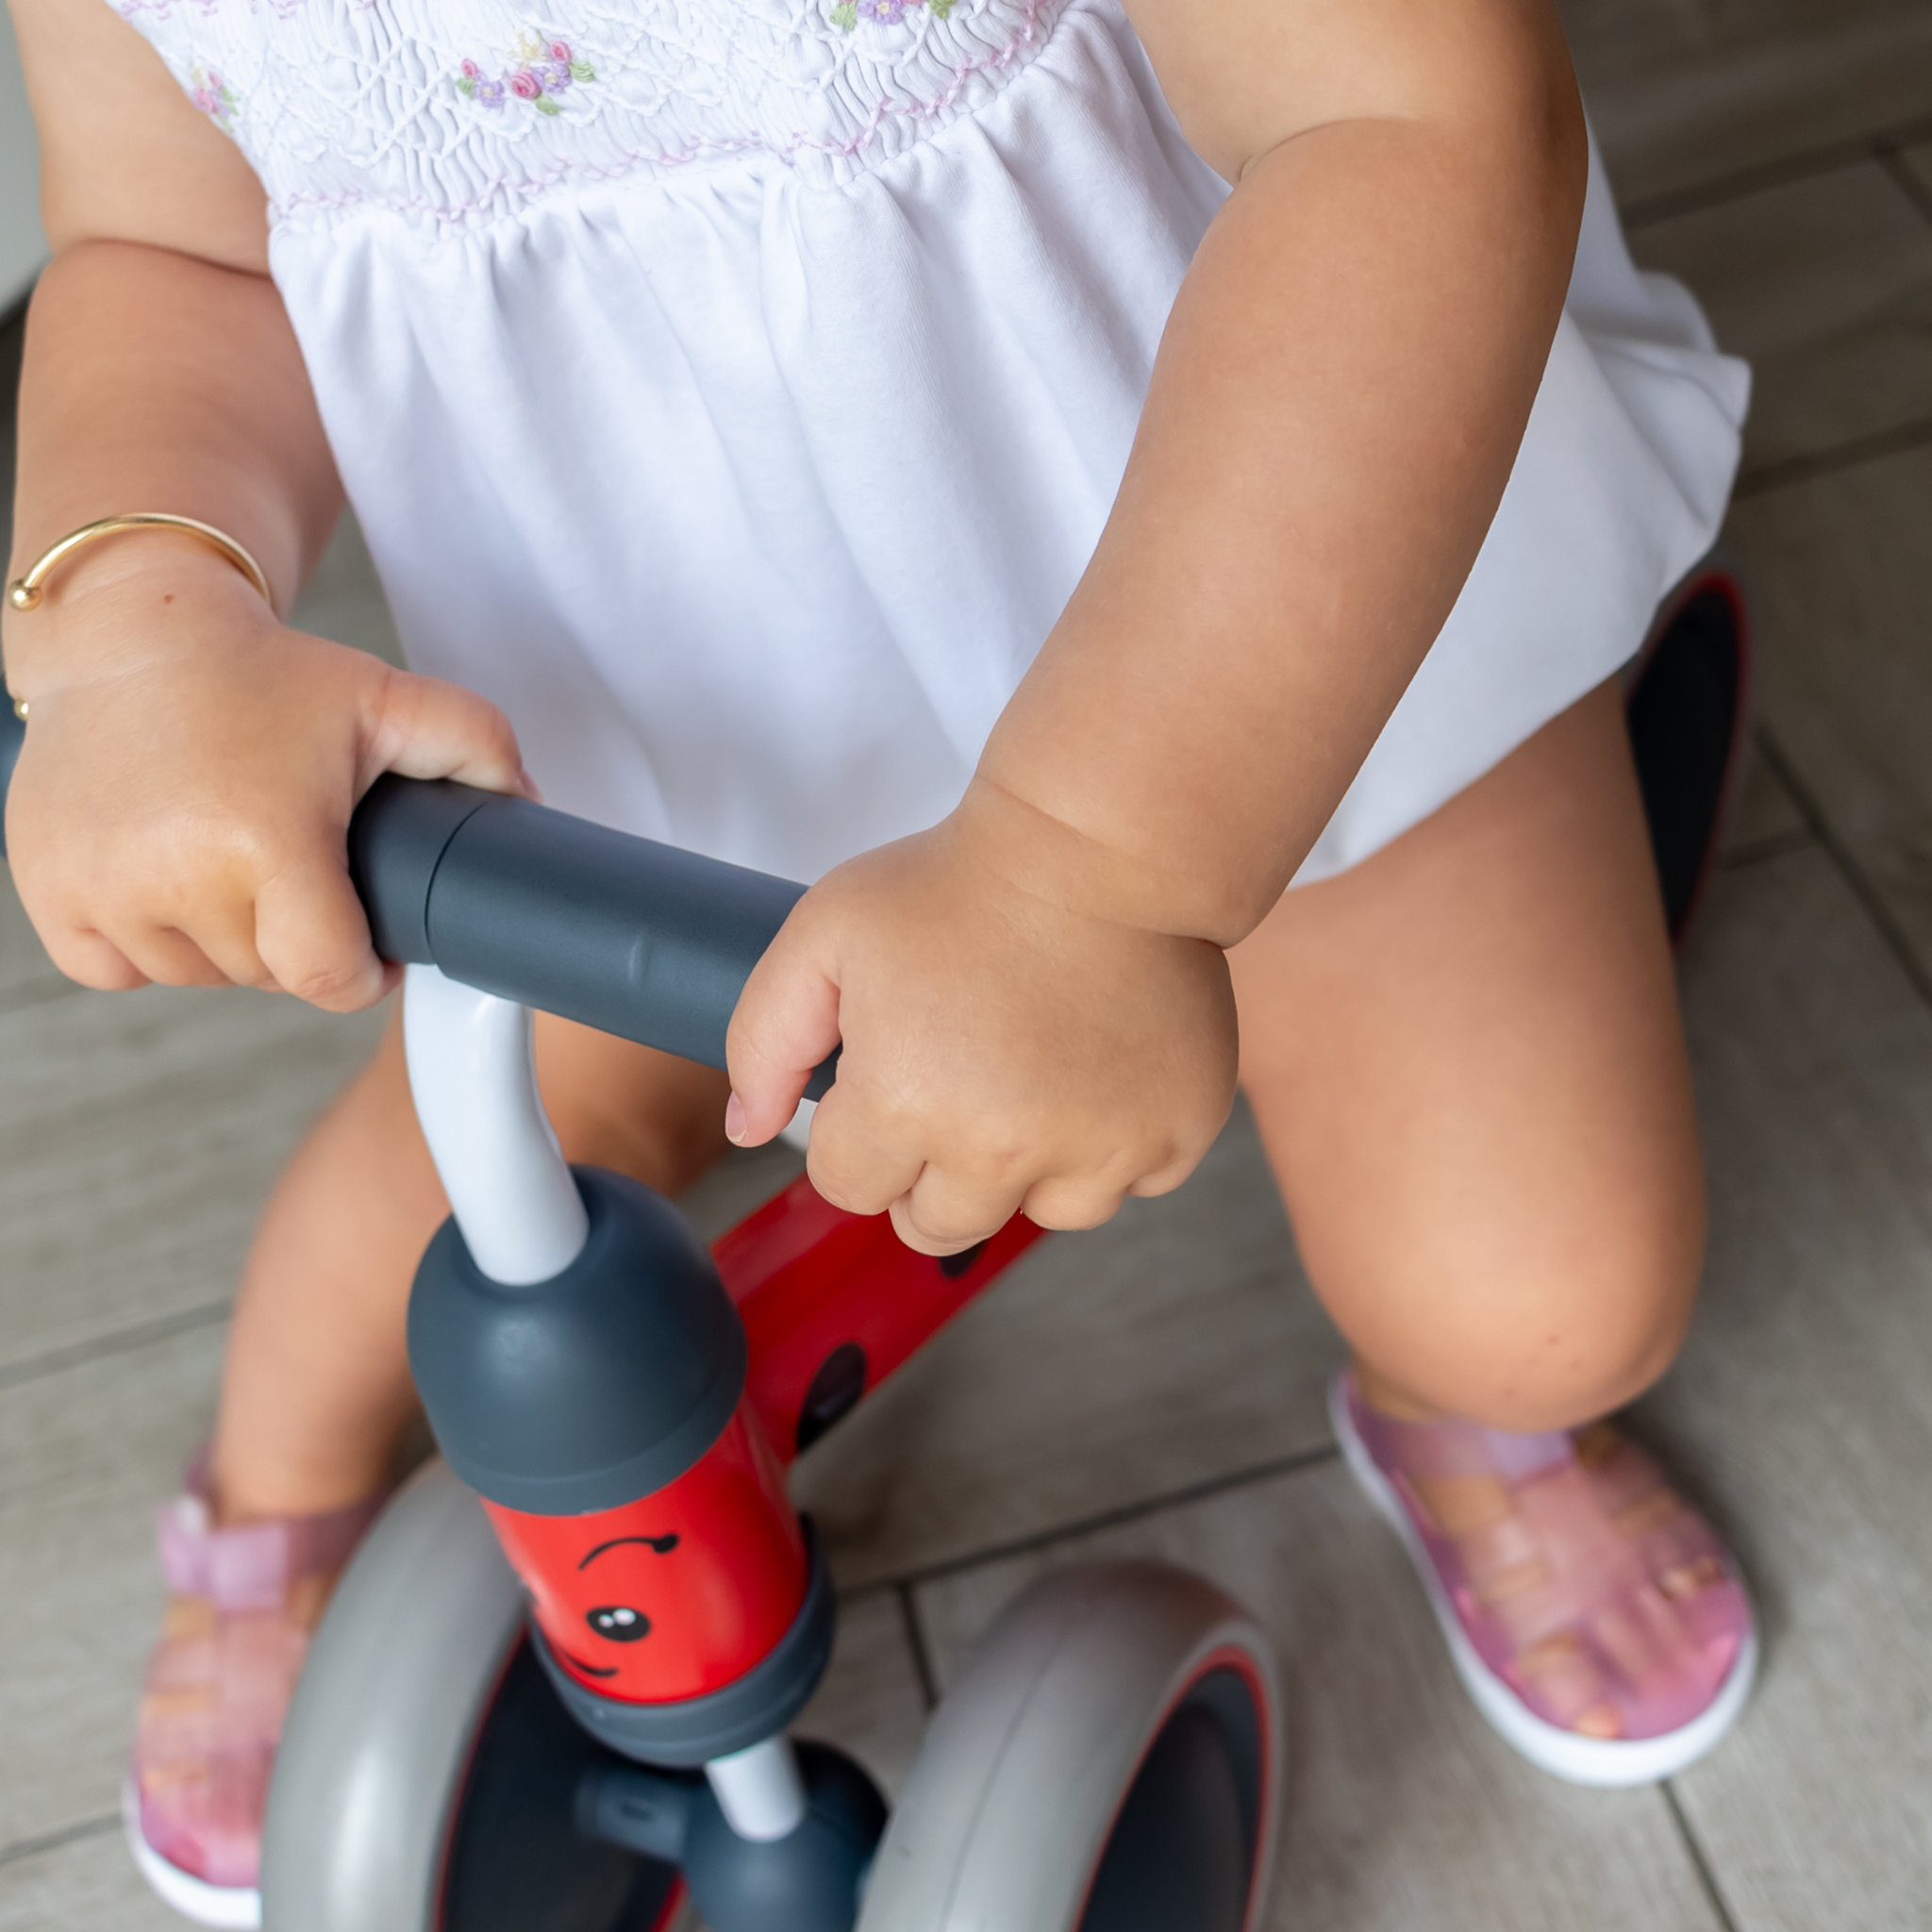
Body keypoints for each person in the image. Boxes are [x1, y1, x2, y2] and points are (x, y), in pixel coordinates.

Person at [2, 0, 1757, 1913]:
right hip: (662, 738)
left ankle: (1473, 1405)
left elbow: (1404, 122)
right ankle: (277, 1510)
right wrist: (137, 623)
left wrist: (1101, 868)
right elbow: (168, 250)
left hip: (1282, 649)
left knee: (1544, 1303)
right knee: (455, 1193)